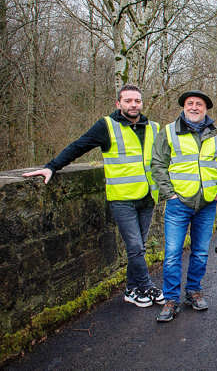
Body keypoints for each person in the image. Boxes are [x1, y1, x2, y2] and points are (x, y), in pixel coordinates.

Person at [22, 85, 164, 308]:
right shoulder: (107, 126)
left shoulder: (154, 128)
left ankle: (131, 290)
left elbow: (165, 160)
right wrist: (51, 167)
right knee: (135, 246)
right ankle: (146, 286)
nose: (133, 105)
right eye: (128, 101)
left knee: (139, 247)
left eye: (137, 101)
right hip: (122, 198)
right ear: (119, 104)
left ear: (142, 103)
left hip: (147, 197)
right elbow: (79, 146)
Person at [151, 90, 217, 322]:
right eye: (190, 103)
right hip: (179, 203)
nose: (194, 107)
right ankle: (171, 300)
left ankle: (194, 291)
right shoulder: (169, 131)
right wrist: (170, 194)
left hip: (206, 203)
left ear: (206, 109)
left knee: (200, 252)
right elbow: (158, 164)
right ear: (183, 107)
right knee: (173, 253)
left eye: (199, 104)